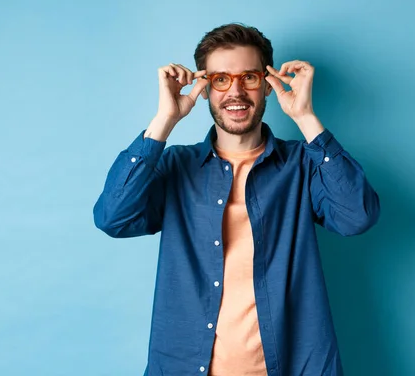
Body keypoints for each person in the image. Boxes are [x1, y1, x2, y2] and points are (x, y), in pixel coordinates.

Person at [93, 23, 380, 376]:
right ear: (205, 87)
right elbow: (113, 217)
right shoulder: (175, 166)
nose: (236, 92)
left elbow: (357, 215)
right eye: (221, 80)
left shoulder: (302, 165)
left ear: (268, 84)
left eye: (249, 78)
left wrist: (306, 118)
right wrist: (164, 120)